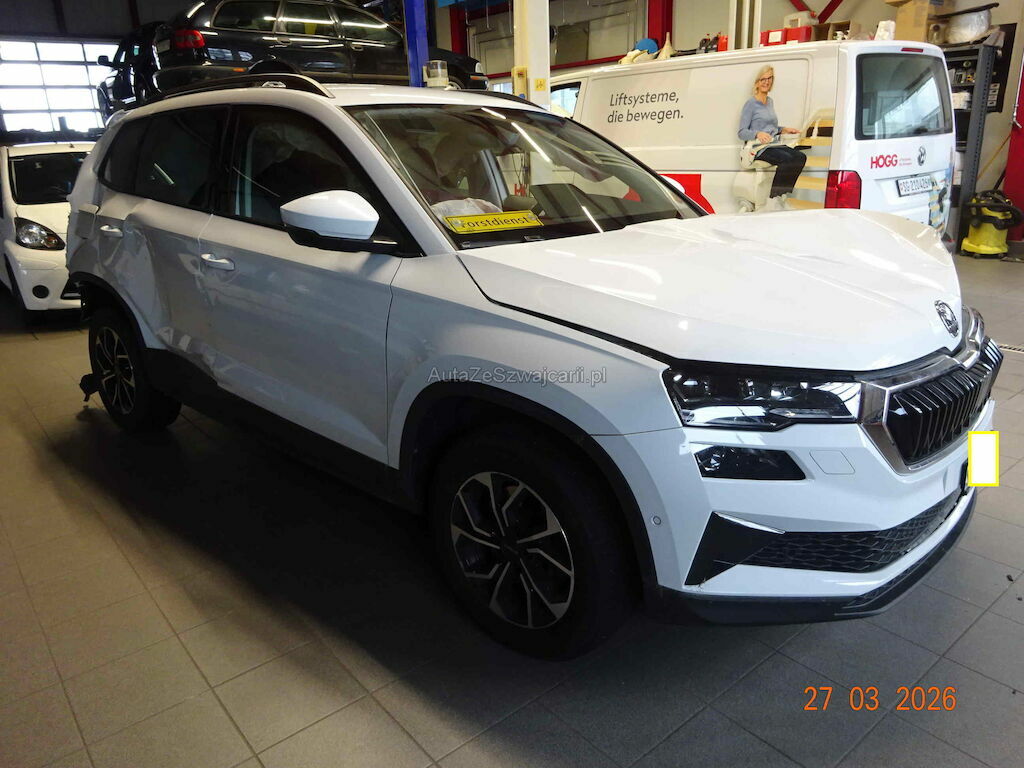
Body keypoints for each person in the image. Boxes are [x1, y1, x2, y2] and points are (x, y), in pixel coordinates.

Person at [737, 65, 806, 202]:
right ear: (757, 82)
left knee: (800, 157)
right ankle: (774, 200)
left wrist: (783, 129)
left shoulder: (770, 102)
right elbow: (741, 132)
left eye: (769, 78)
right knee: (787, 160)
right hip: (758, 148)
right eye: (763, 79)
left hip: (773, 144)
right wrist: (757, 134)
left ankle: (783, 195)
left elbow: (770, 127)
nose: (766, 82)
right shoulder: (751, 104)